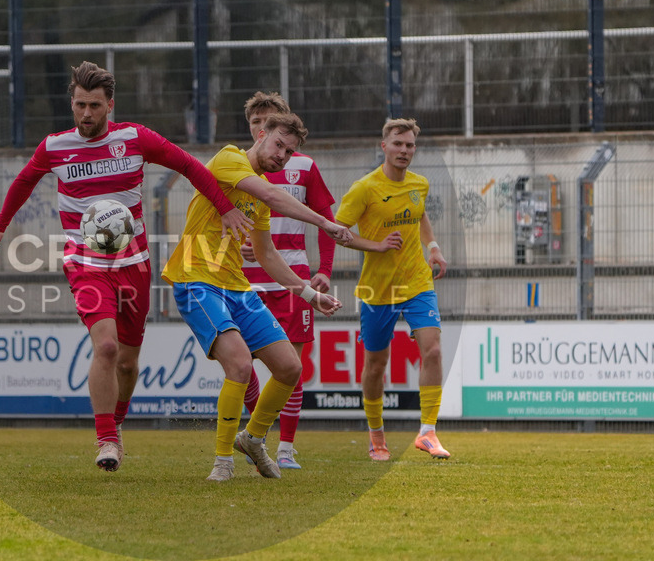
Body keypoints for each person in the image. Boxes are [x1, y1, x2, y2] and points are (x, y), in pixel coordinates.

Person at [0, 61, 253, 473]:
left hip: (134, 265)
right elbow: (23, 182)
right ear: (71, 104)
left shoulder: (134, 139)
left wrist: (225, 208)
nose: (86, 113)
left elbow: (188, 165)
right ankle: (106, 438)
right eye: (79, 105)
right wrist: (0, 228)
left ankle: (118, 422)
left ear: (110, 104)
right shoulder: (54, 147)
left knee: (127, 363)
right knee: (106, 347)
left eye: (94, 105)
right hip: (85, 262)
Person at [162, 113, 394, 481]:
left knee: (290, 367)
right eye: (278, 145)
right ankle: (223, 461)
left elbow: (267, 255)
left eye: (289, 152)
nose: (282, 155)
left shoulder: (260, 196)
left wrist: (309, 294)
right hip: (195, 280)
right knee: (240, 364)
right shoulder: (230, 159)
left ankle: (253, 439)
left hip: (236, 286)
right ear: (260, 134)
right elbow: (271, 194)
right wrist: (325, 222)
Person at [334, 118, 450, 461]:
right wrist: (377, 245)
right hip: (377, 289)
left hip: (417, 282)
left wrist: (433, 247)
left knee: (433, 351)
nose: (404, 150)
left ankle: (427, 432)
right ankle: (376, 435)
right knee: (375, 364)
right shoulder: (364, 188)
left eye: (410, 145)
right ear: (384, 146)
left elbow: (419, 214)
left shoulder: (419, 184)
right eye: (398, 144)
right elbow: (337, 230)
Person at [237, 92, 336, 470]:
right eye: (255, 123)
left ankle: (286, 448)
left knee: (292, 366)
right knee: (241, 365)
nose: (261, 128)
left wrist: (325, 269)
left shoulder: (304, 166)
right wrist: (237, 246)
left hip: (292, 279)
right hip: (246, 282)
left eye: (269, 121)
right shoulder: (236, 166)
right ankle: (256, 437)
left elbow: (327, 220)